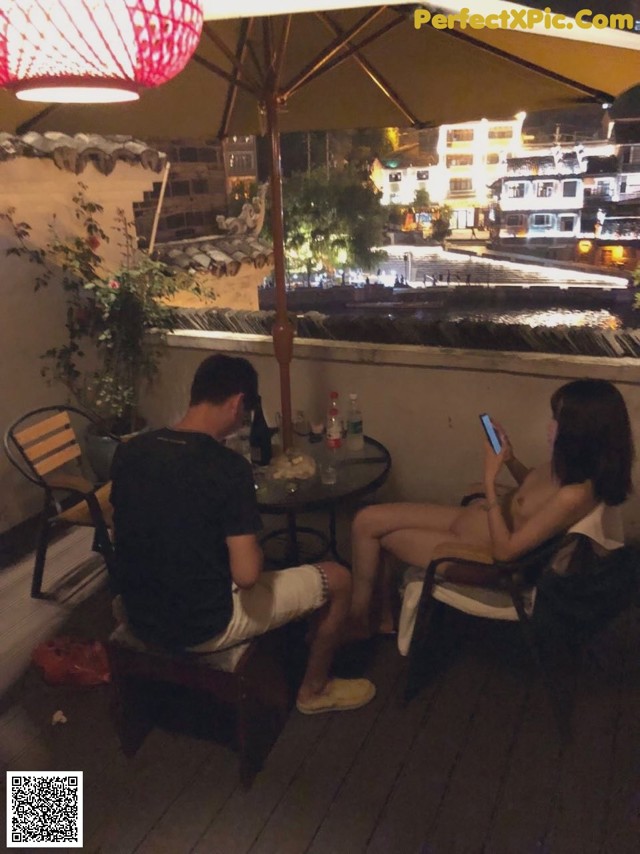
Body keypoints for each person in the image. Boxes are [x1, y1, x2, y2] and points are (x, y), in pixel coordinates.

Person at [110, 354, 375, 714]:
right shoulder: (226, 467)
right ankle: (313, 689)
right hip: (202, 626)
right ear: (237, 402)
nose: (241, 422)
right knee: (340, 579)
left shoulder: (132, 450)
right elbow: (247, 576)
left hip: (138, 610)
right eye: (244, 412)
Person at [348, 379, 634, 639]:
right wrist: (509, 459)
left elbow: (505, 552)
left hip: (482, 558)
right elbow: (533, 496)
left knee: (380, 536)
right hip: (474, 521)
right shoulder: (572, 465)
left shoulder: (575, 495)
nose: (550, 426)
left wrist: (489, 480)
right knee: (367, 519)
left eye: (557, 420)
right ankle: (381, 618)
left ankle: (358, 620)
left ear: (579, 430)